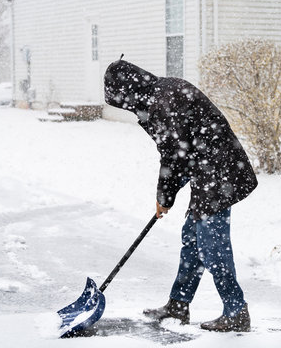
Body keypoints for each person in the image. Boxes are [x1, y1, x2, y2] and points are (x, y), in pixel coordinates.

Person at [104, 56, 258, 332]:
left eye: (123, 101)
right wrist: (170, 193)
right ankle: (179, 304)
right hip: (209, 172)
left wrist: (164, 197)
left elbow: (174, 155)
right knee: (192, 239)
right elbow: (182, 151)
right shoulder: (161, 93)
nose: (127, 108)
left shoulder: (165, 101)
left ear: (130, 90)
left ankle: (236, 311)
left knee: (212, 246)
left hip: (219, 174)